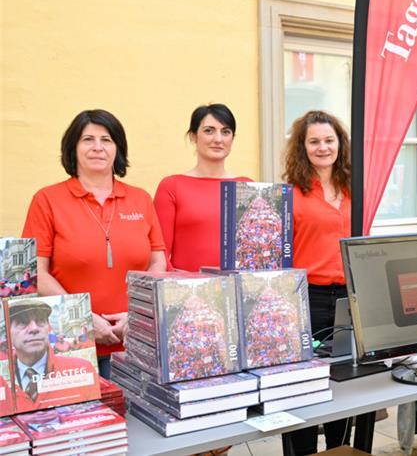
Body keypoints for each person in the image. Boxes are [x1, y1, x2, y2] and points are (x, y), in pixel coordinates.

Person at [21, 109, 166, 378]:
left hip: (136, 343)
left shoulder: (140, 199)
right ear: (73, 148)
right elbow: (35, 273)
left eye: (107, 140)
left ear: (118, 149)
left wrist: (136, 314)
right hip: (71, 346)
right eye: (88, 139)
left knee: (139, 420)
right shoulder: (47, 200)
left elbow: (157, 260)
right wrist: (83, 320)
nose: (98, 147)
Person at [281, 110, 352, 455]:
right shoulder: (290, 194)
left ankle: (339, 450)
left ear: (339, 144)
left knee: (341, 385)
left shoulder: (357, 188)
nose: (323, 147)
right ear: (302, 147)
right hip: (305, 298)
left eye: (329, 140)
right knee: (301, 389)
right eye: (314, 141)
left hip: (349, 301)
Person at [154, 104, 252, 271]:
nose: (218, 139)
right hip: (188, 291)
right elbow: (160, 255)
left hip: (238, 292)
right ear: (193, 136)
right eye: (209, 131)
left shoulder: (247, 186)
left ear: (232, 139)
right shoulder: (172, 186)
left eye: (226, 132)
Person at [9, 299, 100, 413]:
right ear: (8, 332)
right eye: (22, 322)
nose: (34, 328)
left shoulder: (83, 369)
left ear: (48, 327)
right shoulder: (3, 379)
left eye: (40, 320)